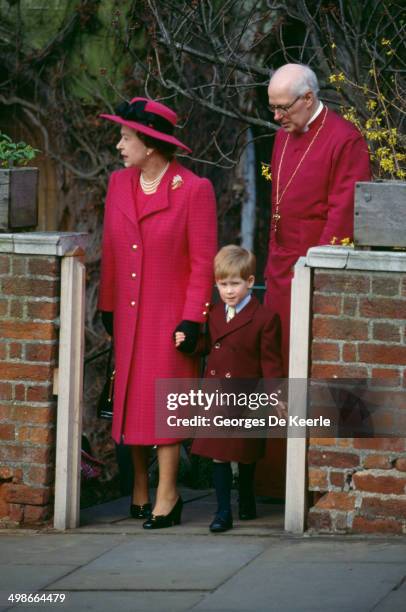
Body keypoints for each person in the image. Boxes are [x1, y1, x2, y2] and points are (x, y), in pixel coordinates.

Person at [98, 97, 217, 529]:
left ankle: (169, 494)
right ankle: (141, 488)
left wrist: (193, 317)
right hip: (128, 313)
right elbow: (111, 251)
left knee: (164, 401)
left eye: (125, 137)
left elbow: (204, 262)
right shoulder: (118, 184)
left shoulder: (194, 189)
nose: (119, 145)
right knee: (131, 400)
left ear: (149, 144)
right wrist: (106, 306)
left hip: (171, 316)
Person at [265, 63, 371, 375]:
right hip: (279, 269)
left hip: (313, 271)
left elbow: (342, 216)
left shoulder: (345, 139)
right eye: (272, 107)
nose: (276, 117)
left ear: (308, 98)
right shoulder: (282, 136)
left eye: (283, 108)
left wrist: (318, 274)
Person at [175, 245, 283, 532]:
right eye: (223, 284)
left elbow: (270, 362)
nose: (229, 290)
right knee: (219, 453)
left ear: (249, 282)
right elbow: (209, 345)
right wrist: (188, 343)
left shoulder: (265, 318)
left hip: (248, 395)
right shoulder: (213, 314)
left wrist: (276, 394)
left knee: (245, 453)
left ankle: (246, 501)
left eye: (235, 283)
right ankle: (223, 513)